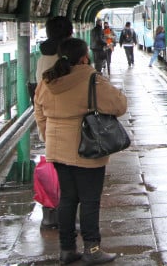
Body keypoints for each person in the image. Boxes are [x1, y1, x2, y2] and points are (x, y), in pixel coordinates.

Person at [34, 38, 127, 264]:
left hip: (57, 148)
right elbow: (120, 105)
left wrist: (47, 135)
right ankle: (92, 249)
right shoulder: (91, 79)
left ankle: (67, 249)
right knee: (89, 200)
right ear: (85, 57)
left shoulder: (47, 80)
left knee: (67, 198)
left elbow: (39, 110)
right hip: (86, 148)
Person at [32, 15, 74, 231]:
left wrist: (43, 128)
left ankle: (49, 213)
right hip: (68, 122)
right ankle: (64, 218)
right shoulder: (68, 57)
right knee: (70, 174)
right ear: (69, 33)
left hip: (49, 120)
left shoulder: (42, 57)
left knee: (54, 168)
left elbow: (39, 95)